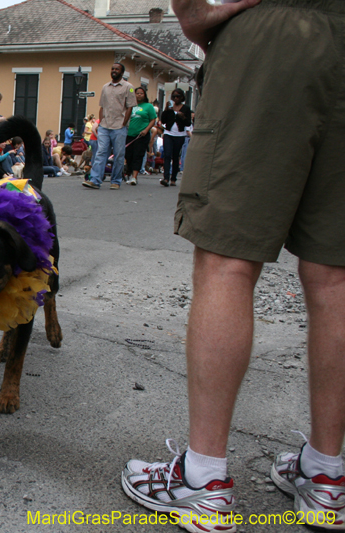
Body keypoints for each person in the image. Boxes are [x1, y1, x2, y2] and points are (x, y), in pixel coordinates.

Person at [122, 0, 345, 530]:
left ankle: (205, 481)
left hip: (275, 33)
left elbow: (194, 9)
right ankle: (327, 475)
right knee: (336, 275)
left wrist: (197, 16)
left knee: (227, 263)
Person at [82, 63, 135, 190]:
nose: (114, 71)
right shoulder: (105, 87)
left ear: (122, 72)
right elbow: (102, 106)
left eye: (117, 69)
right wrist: (100, 123)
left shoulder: (129, 87)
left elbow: (130, 107)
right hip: (105, 126)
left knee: (118, 154)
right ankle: (95, 180)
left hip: (119, 126)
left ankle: (116, 180)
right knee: (100, 153)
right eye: (112, 69)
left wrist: (124, 123)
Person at [159, 87, 192, 187]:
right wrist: (165, 110)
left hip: (180, 135)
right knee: (167, 155)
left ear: (182, 97)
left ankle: (173, 178)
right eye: (174, 96)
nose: (176, 98)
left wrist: (183, 117)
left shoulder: (186, 108)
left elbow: (188, 122)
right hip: (168, 134)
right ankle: (166, 178)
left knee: (175, 156)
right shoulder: (170, 107)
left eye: (178, 96)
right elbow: (163, 120)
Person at [124, 86, 156, 186]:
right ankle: (129, 173)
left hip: (141, 135)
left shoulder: (148, 106)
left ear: (144, 95)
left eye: (141, 93)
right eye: (137, 93)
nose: (139, 95)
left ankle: (134, 176)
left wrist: (146, 130)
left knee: (138, 155)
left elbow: (153, 119)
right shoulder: (130, 106)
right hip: (129, 134)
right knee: (128, 155)